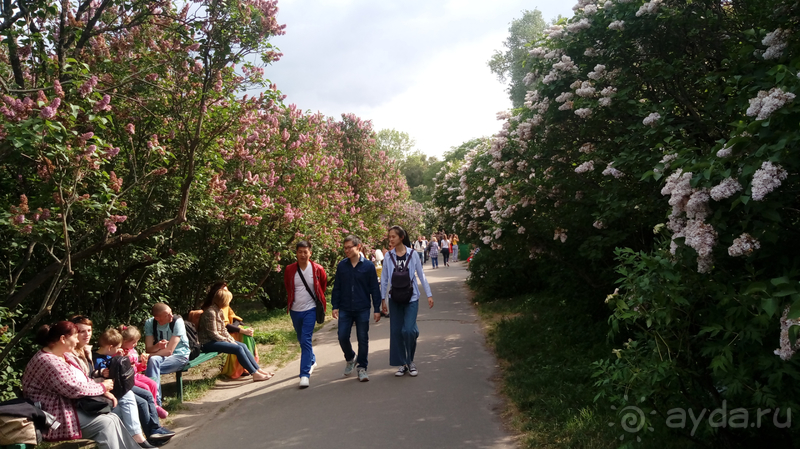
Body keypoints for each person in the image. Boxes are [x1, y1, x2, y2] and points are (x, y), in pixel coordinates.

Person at [22, 321, 142, 449]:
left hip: (67, 405)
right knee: (105, 423)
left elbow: (82, 379)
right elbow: (73, 389)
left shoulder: (63, 355)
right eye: (75, 337)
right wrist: (102, 387)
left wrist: (104, 391)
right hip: (52, 414)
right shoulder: (49, 361)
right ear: (63, 339)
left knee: (113, 417)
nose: (77, 340)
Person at [70, 316, 172, 447]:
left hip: (105, 389)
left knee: (140, 397)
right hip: (91, 397)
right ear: (73, 333)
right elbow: (83, 380)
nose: (87, 334)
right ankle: (141, 438)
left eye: (89, 330)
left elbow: (92, 373)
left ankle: (148, 434)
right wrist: (102, 381)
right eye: (82, 331)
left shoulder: (87, 350)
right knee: (133, 399)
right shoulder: (74, 354)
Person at [380, 226, 434, 377]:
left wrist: (429, 294)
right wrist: (382, 300)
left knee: (409, 330)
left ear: (401, 237)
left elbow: (421, 275)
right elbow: (384, 279)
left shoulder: (413, 254)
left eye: (393, 236)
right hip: (395, 298)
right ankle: (403, 363)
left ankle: (410, 360)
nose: (391, 239)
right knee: (397, 332)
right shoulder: (388, 256)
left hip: (411, 297)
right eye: (389, 237)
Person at [331, 235, 382, 382]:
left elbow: (374, 288)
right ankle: (350, 357)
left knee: (362, 338)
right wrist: (335, 306)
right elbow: (337, 287)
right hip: (345, 308)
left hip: (362, 307)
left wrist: (377, 308)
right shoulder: (342, 266)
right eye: (345, 248)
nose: (346, 250)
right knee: (342, 336)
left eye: (349, 247)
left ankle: (362, 368)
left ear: (358, 247)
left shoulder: (368, 266)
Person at [197, 286, 273, 381]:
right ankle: (255, 374)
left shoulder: (219, 310)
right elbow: (213, 334)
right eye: (228, 300)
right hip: (208, 343)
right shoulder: (211, 312)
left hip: (217, 340)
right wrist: (227, 341)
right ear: (223, 300)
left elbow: (223, 329)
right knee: (238, 348)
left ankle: (258, 370)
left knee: (243, 346)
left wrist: (230, 339)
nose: (229, 302)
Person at [284, 240, 328, 388]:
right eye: (300, 252)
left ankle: (304, 374)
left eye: (305, 252)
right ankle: (312, 359)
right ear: (296, 253)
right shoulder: (290, 269)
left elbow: (322, 286)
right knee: (301, 338)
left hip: (311, 309)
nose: (303, 254)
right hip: (295, 310)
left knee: (305, 339)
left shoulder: (317, 269)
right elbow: (288, 286)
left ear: (310, 253)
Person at [144, 303, 193, 407]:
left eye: (171, 312)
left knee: (152, 364)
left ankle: (154, 403)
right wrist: (157, 346)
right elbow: (148, 349)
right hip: (160, 357)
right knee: (152, 363)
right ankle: (155, 403)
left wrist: (149, 355)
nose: (171, 316)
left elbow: (169, 351)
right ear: (157, 318)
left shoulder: (177, 322)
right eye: (167, 315)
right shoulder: (150, 323)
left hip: (180, 356)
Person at [119, 326, 168, 419]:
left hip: (136, 375)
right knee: (145, 387)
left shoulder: (132, 350)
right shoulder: (120, 352)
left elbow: (137, 367)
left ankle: (155, 405)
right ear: (125, 341)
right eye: (134, 342)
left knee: (153, 384)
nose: (136, 344)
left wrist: (142, 364)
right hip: (128, 378)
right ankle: (152, 408)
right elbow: (120, 367)